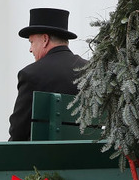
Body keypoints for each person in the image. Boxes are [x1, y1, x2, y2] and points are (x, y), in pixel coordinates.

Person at [8, 8, 89, 141]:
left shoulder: (31, 74)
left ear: (45, 39)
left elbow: (18, 131)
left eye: (31, 42)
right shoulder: (91, 70)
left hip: (42, 159)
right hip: (90, 156)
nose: (30, 49)